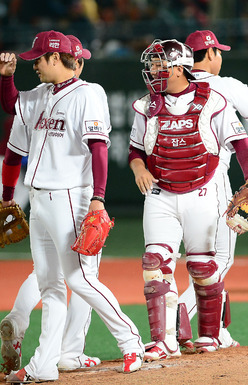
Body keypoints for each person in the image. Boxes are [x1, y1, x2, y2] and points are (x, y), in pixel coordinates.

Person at [0, 30, 144, 382]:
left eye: (39, 59)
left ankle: (131, 340)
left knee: (80, 279)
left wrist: (98, 198)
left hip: (70, 197)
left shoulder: (88, 93)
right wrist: (6, 78)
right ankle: (44, 365)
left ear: (55, 58)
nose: (34, 64)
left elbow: (98, 148)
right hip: (39, 199)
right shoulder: (40, 94)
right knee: (50, 286)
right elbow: (11, 105)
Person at [128, 38, 248, 357]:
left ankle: (210, 334)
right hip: (160, 193)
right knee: (154, 264)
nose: (153, 71)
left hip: (202, 192)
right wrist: (138, 169)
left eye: (160, 65)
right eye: (152, 65)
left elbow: (242, 144)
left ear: (178, 68)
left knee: (202, 266)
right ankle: (163, 340)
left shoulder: (213, 101)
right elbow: (135, 150)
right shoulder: (146, 106)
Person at [167, 29, 248, 352]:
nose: (220, 57)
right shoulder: (224, 86)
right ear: (211, 54)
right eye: (218, 52)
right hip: (212, 182)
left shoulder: (175, 86)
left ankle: (218, 332)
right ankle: (179, 311)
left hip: (171, 185)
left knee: (198, 258)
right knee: (220, 260)